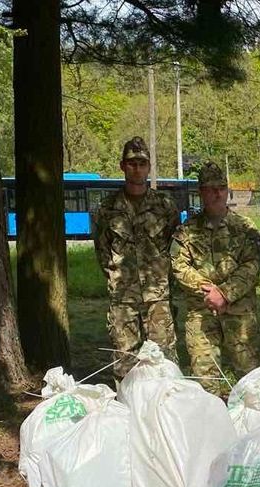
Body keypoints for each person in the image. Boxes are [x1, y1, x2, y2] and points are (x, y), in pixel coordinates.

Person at [169, 161, 260, 393]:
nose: (217, 193)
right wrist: (208, 291)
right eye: (211, 188)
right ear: (201, 192)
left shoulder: (244, 227)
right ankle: (212, 423)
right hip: (201, 312)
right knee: (205, 379)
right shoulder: (187, 229)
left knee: (249, 376)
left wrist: (224, 294)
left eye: (221, 187)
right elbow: (178, 264)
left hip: (239, 312)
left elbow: (252, 265)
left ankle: (251, 423)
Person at [92, 136, 180, 379]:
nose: (137, 168)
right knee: (124, 360)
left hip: (157, 297)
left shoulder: (165, 205)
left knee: (164, 360)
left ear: (149, 167)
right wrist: (117, 278)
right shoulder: (107, 208)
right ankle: (127, 410)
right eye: (132, 163)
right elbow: (102, 251)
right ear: (123, 166)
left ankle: (165, 411)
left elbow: (174, 248)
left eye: (142, 163)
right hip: (123, 298)